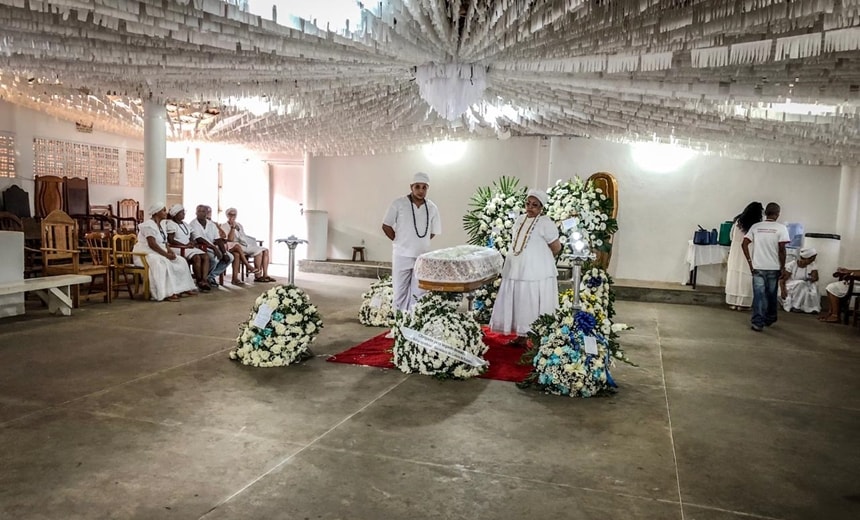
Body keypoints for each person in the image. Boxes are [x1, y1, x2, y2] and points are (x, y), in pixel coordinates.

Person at [489, 189, 562, 346]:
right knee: (519, 301)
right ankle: (521, 336)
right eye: (528, 203)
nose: (530, 207)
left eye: (534, 205)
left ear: (541, 207)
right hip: (516, 268)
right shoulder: (520, 219)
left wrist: (540, 259)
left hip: (536, 272)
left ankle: (536, 339)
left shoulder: (545, 222)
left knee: (532, 301)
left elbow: (556, 247)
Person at [382, 171, 442, 316]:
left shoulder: (432, 207)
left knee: (419, 293)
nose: (421, 191)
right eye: (417, 187)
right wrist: (399, 240)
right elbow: (386, 225)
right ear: (411, 187)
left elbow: (433, 232)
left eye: (424, 187)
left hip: (421, 257)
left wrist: (421, 242)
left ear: (427, 188)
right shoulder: (399, 203)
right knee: (400, 291)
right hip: (401, 255)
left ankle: (414, 325)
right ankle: (398, 326)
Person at [132, 203, 198, 302]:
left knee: (181, 261)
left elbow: (164, 242)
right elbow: (152, 244)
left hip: (158, 251)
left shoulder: (162, 224)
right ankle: (167, 293)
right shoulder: (148, 225)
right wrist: (166, 254)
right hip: (145, 253)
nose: (165, 212)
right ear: (156, 212)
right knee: (162, 262)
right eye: (163, 210)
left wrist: (170, 251)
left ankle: (183, 288)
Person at [742, 202, 790, 332]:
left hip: (757, 267)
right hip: (773, 267)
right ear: (778, 214)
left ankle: (758, 322)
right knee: (771, 294)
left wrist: (750, 262)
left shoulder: (756, 227)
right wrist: (783, 267)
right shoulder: (781, 228)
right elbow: (782, 249)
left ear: (765, 213)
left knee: (759, 295)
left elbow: (744, 244)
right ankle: (770, 317)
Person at [219, 208, 275, 282]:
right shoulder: (224, 226)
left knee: (265, 250)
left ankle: (265, 275)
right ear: (227, 215)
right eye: (230, 214)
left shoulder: (239, 225)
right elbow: (230, 240)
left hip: (244, 244)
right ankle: (258, 276)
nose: (232, 216)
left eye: (234, 214)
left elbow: (243, 236)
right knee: (259, 251)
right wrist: (232, 228)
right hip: (234, 245)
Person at [164, 204, 211, 292]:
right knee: (196, 258)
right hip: (178, 247)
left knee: (205, 256)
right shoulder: (171, 224)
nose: (184, 214)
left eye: (184, 212)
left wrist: (192, 242)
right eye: (182, 213)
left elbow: (190, 237)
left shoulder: (185, 224)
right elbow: (171, 240)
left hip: (188, 247)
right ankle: (199, 281)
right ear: (176, 214)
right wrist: (185, 246)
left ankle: (204, 280)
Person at [725, 202, 763, 310]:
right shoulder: (755, 225)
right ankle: (743, 304)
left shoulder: (737, 222)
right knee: (746, 277)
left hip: (735, 251)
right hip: (748, 251)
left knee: (734, 275)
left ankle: (733, 302)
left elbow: (731, 236)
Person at [189, 205, 233, 287]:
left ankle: (210, 277)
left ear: (207, 213)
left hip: (212, 247)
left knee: (230, 257)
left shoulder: (211, 224)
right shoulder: (193, 224)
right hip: (200, 248)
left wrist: (224, 253)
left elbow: (218, 239)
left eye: (203, 211)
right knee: (214, 259)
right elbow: (199, 239)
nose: (201, 213)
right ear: (196, 213)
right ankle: (203, 279)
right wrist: (214, 249)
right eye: (199, 211)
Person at [779, 248, 820, 313]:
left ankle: (810, 308)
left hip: (804, 285)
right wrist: (783, 291)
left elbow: (815, 278)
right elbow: (782, 280)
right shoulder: (792, 264)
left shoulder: (812, 265)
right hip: (791, 285)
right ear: (807, 258)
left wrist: (811, 276)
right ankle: (795, 306)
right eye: (813, 258)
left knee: (810, 286)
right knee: (801, 283)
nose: (814, 259)